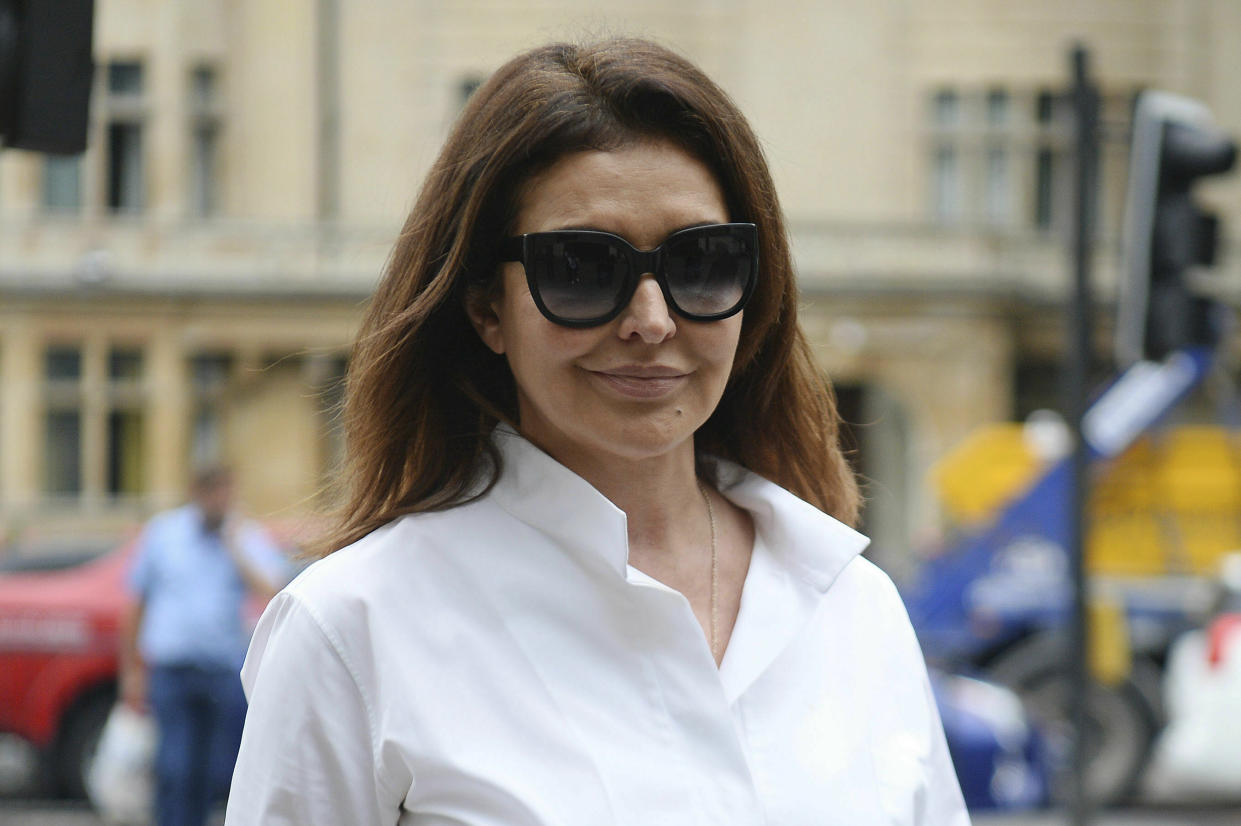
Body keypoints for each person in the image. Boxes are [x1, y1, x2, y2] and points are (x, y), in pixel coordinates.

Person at [225, 38, 970, 825]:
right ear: (486, 308)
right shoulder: (355, 628)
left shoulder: (853, 608)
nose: (650, 322)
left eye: (702, 263)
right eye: (581, 269)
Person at [120, 466, 289, 826]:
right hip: (172, 668)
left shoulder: (243, 535)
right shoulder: (164, 533)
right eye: (215, 492)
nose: (222, 500)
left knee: (219, 771)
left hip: (222, 669)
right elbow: (136, 602)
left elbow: (273, 589)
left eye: (227, 491)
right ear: (196, 492)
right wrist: (132, 671)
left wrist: (234, 546)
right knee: (175, 766)